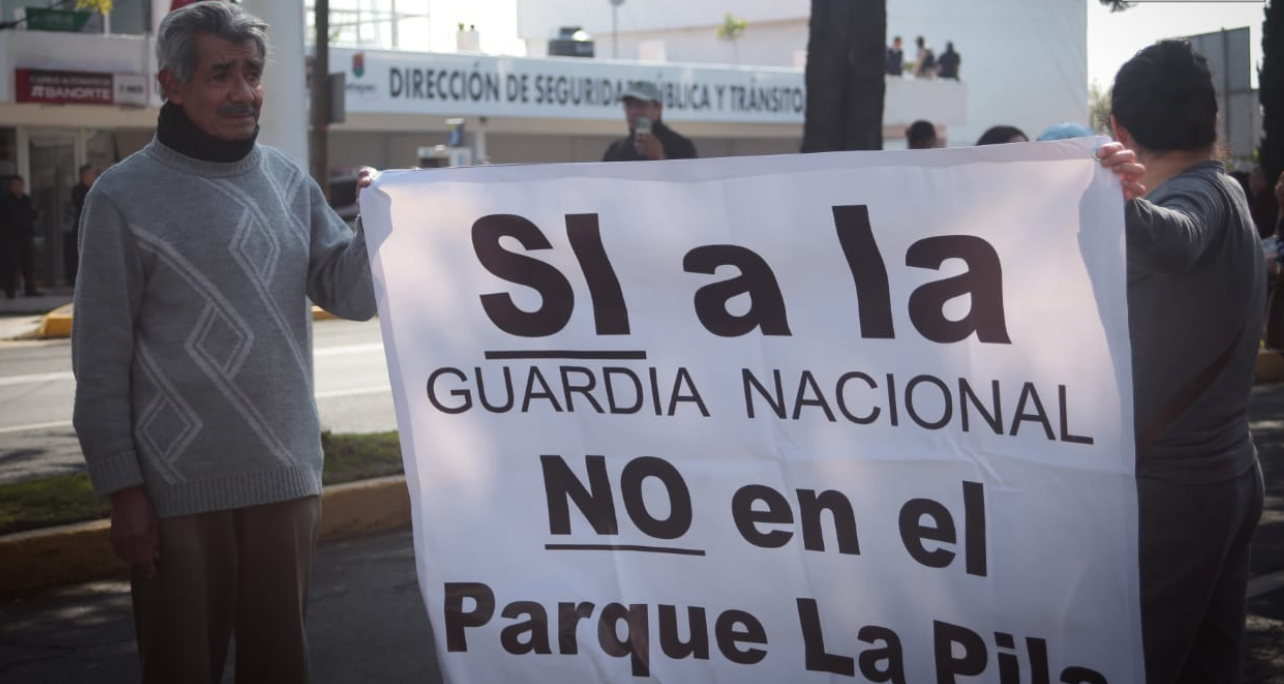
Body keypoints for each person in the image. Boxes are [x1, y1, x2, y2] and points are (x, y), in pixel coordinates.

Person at [71, 3, 377, 682]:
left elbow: (352, 296)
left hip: (287, 481)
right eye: (220, 75)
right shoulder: (122, 197)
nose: (243, 92)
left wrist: (382, 225)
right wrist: (122, 491)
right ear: (171, 85)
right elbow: (98, 362)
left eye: (252, 73)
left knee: (281, 669)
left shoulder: (288, 182)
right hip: (176, 493)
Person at [1097, 40, 1264, 684]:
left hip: (1176, 497)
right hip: (1218, 479)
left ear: (1120, 130)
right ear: (1214, 120)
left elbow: (1175, 241)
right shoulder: (1229, 194)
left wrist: (1118, 203)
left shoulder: (1202, 202)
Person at [602, 81, 697, 162]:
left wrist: (660, 158)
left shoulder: (681, 146)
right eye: (629, 105)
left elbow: (689, 182)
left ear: (658, 108)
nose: (634, 111)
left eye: (641, 104)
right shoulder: (616, 150)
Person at [0, 175, 41, 298]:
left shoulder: (26, 199)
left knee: (28, 263)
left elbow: (32, 214)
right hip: (11, 237)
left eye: (19, 185)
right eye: (15, 185)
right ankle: (10, 290)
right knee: (11, 264)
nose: (18, 187)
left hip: (26, 235)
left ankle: (30, 288)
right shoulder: (6, 200)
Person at [67, 163, 97, 286]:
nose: (93, 176)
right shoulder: (78, 190)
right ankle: (74, 279)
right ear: (84, 175)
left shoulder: (95, 187)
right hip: (82, 225)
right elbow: (81, 204)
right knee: (78, 254)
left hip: (94, 226)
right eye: (91, 174)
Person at [1249, 166, 1279, 239]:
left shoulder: (1269, 198)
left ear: (1263, 180)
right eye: (1251, 178)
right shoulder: (1256, 199)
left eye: (1255, 177)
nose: (1251, 180)